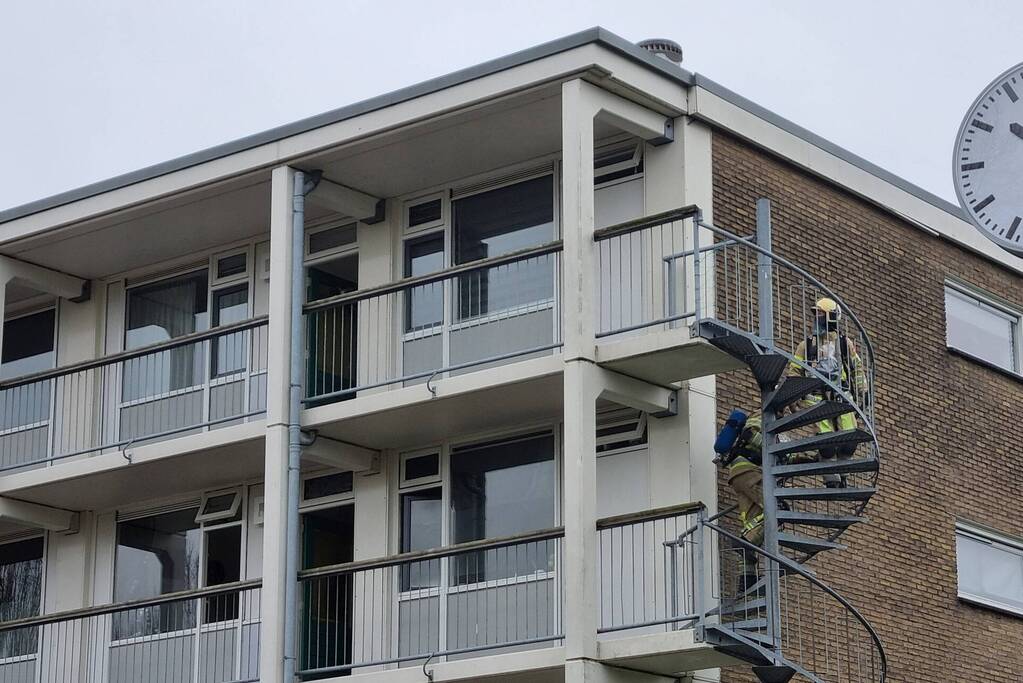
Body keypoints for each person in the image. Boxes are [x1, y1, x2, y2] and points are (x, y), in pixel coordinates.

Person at [790, 297, 868, 487]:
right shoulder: (806, 345)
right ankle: (831, 478)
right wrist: (793, 397)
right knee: (826, 442)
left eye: (820, 314)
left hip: (842, 394)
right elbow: (794, 371)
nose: (816, 318)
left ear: (832, 317)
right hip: (816, 397)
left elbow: (856, 368)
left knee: (849, 438)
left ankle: (843, 473)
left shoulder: (844, 343)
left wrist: (862, 391)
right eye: (815, 314)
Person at [714, 409, 765, 591]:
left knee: (752, 521)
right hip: (748, 471)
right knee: (777, 509)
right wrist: (772, 449)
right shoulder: (763, 414)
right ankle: (745, 540)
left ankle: (747, 582)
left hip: (741, 474)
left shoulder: (773, 418)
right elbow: (749, 433)